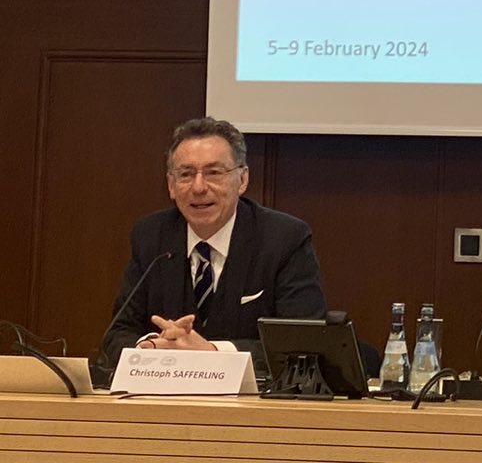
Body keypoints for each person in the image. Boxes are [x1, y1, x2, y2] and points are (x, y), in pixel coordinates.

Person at [95, 117, 327, 383]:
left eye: (214, 173)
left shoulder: (283, 239)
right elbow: (117, 333)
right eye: (186, 174)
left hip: (250, 401)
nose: (199, 187)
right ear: (171, 185)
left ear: (242, 179)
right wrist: (150, 348)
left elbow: (303, 342)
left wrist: (212, 353)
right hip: (165, 395)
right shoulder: (152, 236)